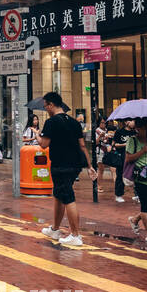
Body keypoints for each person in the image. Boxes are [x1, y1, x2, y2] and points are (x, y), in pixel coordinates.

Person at [37, 92, 95, 246]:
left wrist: (37, 135)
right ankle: (55, 229)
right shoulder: (75, 122)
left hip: (60, 165)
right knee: (58, 194)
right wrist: (89, 166)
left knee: (68, 197)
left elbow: (43, 144)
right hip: (74, 165)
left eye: (45, 106)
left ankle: (76, 235)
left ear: (51, 105)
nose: (45, 109)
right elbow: (82, 145)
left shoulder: (51, 122)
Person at [108, 118, 130, 203]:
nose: (132, 122)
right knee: (120, 175)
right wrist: (125, 144)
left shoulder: (135, 132)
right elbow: (114, 144)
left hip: (133, 156)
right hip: (122, 157)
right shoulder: (119, 132)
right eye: (130, 120)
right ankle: (119, 194)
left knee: (136, 175)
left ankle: (137, 194)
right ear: (126, 122)